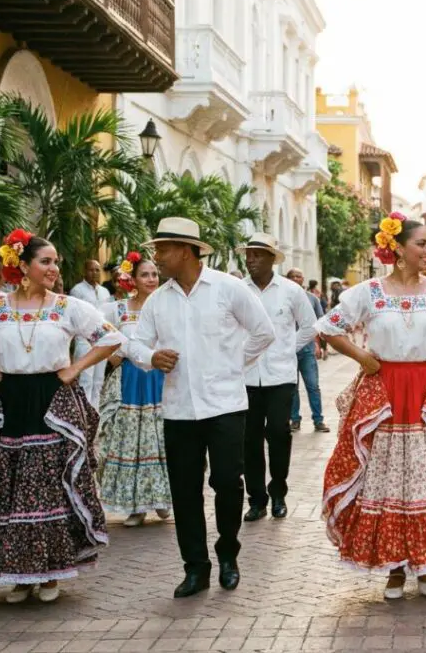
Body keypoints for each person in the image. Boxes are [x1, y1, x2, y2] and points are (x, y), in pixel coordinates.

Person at [0, 229, 122, 603]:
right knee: (7, 486)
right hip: (8, 400)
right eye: (46, 261)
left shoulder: (67, 306)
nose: (54, 268)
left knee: (49, 486)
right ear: (22, 265)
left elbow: (110, 338)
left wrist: (75, 367)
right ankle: (19, 576)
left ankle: (50, 574)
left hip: (52, 402)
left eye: (55, 262)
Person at [317, 212, 426, 600]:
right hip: (384, 392)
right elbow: (327, 328)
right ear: (397, 248)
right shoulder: (368, 292)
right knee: (386, 477)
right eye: (422, 244)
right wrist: (362, 358)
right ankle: (395, 569)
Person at [128, 217, 276, 599]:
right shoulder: (159, 301)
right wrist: (151, 357)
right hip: (178, 410)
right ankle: (195, 568)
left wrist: (232, 364)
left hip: (226, 405)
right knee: (185, 491)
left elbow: (264, 332)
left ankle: (228, 553)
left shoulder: (228, 289)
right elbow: (135, 344)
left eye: (162, 250)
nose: (156, 257)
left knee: (228, 482)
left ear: (186, 250)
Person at [240, 239, 317, 523]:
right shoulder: (238, 290)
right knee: (249, 439)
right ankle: (256, 499)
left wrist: (287, 348)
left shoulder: (291, 291)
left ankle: (279, 493)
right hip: (246, 375)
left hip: (281, 375)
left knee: (278, 433)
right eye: (248, 256)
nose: (251, 260)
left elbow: (310, 326)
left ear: (272, 259)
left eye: (257, 256)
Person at [97, 251, 171, 527]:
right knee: (131, 440)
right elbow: (100, 336)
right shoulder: (117, 310)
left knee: (160, 437)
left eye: (154, 274)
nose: (151, 279)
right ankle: (135, 506)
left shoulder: (167, 306)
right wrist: (114, 354)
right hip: (129, 382)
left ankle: (162, 500)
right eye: (145, 274)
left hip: (160, 381)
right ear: (133, 279)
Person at [285, 267, 326, 433]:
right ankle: (295, 419)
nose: (296, 279)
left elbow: (319, 323)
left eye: (299, 276)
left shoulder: (312, 299)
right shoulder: (283, 297)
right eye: (293, 276)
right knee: (292, 387)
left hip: (307, 349)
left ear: (303, 279)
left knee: (313, 385)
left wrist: (318, 345)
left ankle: (318, 420)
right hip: (288, 350)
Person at [70, 259, 111, 408]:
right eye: (91, 270)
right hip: (84, 339)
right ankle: (85, 413)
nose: (94, 273)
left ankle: (96, 414)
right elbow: (75, 317)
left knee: (99, 379)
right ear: (84, 272)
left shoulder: (105, 292)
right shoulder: (77, 290)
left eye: (97, 270)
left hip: (103, 339)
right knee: (86, 379)